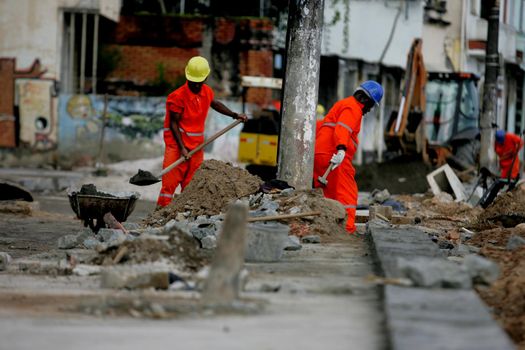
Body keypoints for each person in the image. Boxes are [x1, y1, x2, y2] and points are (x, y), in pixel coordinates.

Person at [156, 56, 247, 208]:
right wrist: (182, 148)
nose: (197, 85)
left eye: (200, 82)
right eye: (194, 82)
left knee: (191, 184)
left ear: (205, 78)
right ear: (188, 77)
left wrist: (235, 115)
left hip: (197, 147)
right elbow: (173, 123)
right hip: (177, 146)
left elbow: (215, 104)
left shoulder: (207, 92)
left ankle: (185, 214)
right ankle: (161, 213)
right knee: (169, 184)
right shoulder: (177, 97)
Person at [313, 81, 383, 233]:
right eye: (371, 105)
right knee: (347, 194)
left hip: (320, 154)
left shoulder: (342, 104)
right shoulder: (353, 107)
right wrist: (341, 149)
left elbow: (321, 125)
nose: (369, 110)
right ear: (364, 99)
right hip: (334, 156)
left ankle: (326, 227)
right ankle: (347, 229)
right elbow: (343, 127)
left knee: (328, 195)